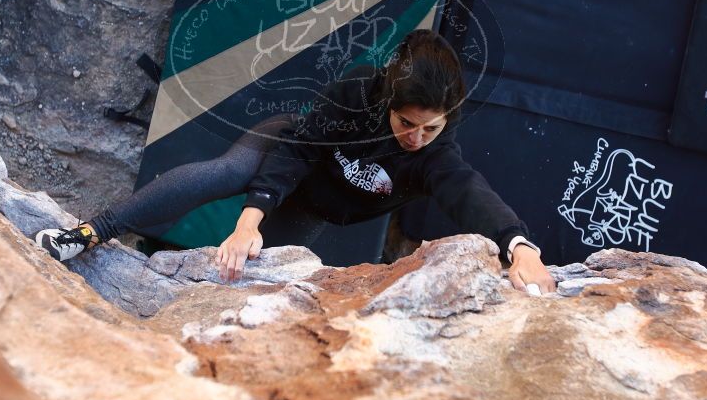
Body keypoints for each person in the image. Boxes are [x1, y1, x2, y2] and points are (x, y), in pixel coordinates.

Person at [35, 30, 555, 293]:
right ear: (387, 103)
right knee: (229, 173)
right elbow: (297, 153)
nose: (417, 137)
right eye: (406, 124)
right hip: (287, 150)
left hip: (320, 205)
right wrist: (249, 216)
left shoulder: (434, 155)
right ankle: (87, 234)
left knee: (256, 280)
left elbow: (469, 191)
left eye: (431, 127)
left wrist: (519, 246)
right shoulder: (356, 91)